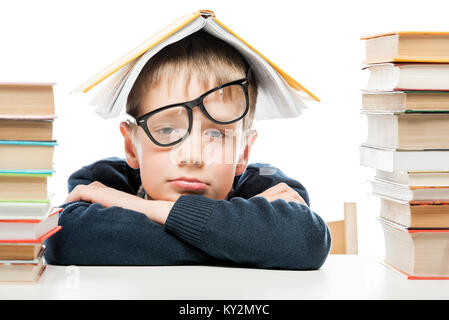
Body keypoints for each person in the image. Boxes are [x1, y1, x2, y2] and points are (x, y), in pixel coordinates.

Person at [44, 30, 331, 269]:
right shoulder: (102, 182)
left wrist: (141, 207)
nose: (192, 155)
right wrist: (245, 239)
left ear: (243, 153)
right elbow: (65, 239)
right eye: (167, 130)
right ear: (131, 145)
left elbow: (305, 239)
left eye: (216, 133)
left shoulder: (270, 185)